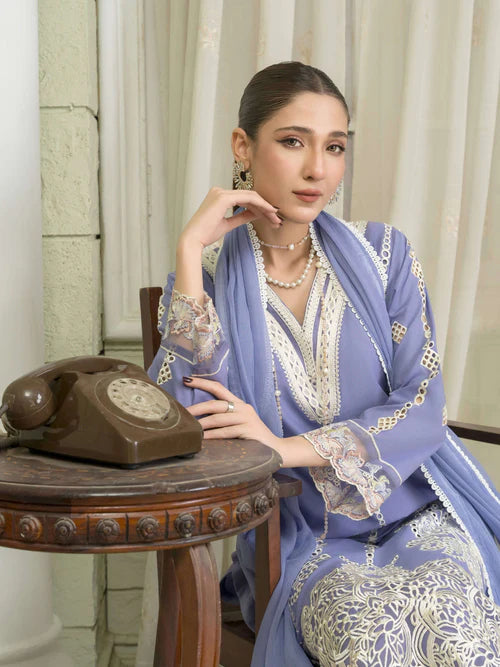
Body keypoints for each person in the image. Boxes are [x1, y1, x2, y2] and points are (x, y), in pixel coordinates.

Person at [148, 62, 500, 666]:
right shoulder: (205, 285)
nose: (318, 169)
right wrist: (189, 250)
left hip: (419, 514)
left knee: (454, 629)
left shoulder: (385, 255)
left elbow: (423, 402)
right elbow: (182, 423)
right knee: (370, 642)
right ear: (243, 147)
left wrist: (283, 448)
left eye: (334, 147)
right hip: (301, 541)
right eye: (293, 142)